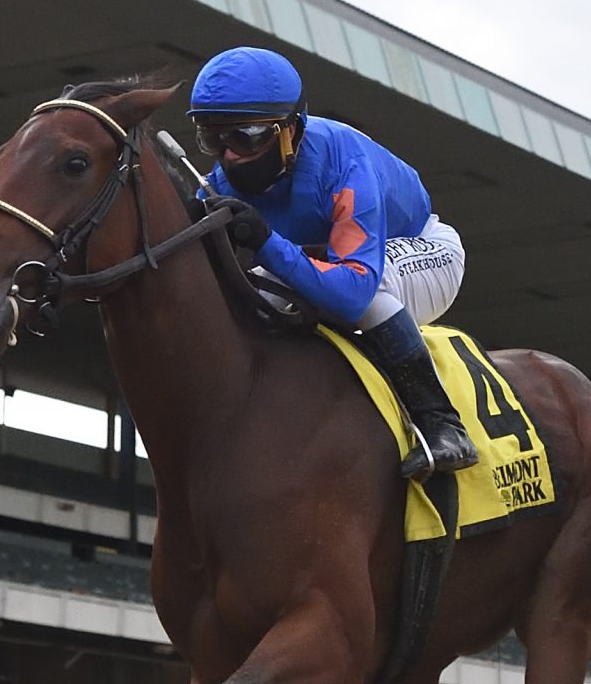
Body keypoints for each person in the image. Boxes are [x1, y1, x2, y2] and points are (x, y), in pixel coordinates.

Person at [189, 46, 477, 477]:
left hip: (417, 249)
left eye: (244, 136)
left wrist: (266, 242)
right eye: (213, 138)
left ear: (290, 130)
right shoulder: (218, 180)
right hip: (323, 257)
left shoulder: (344, 163)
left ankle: (443, 426)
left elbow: (352, 290)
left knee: (369, 297)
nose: (228, 155)